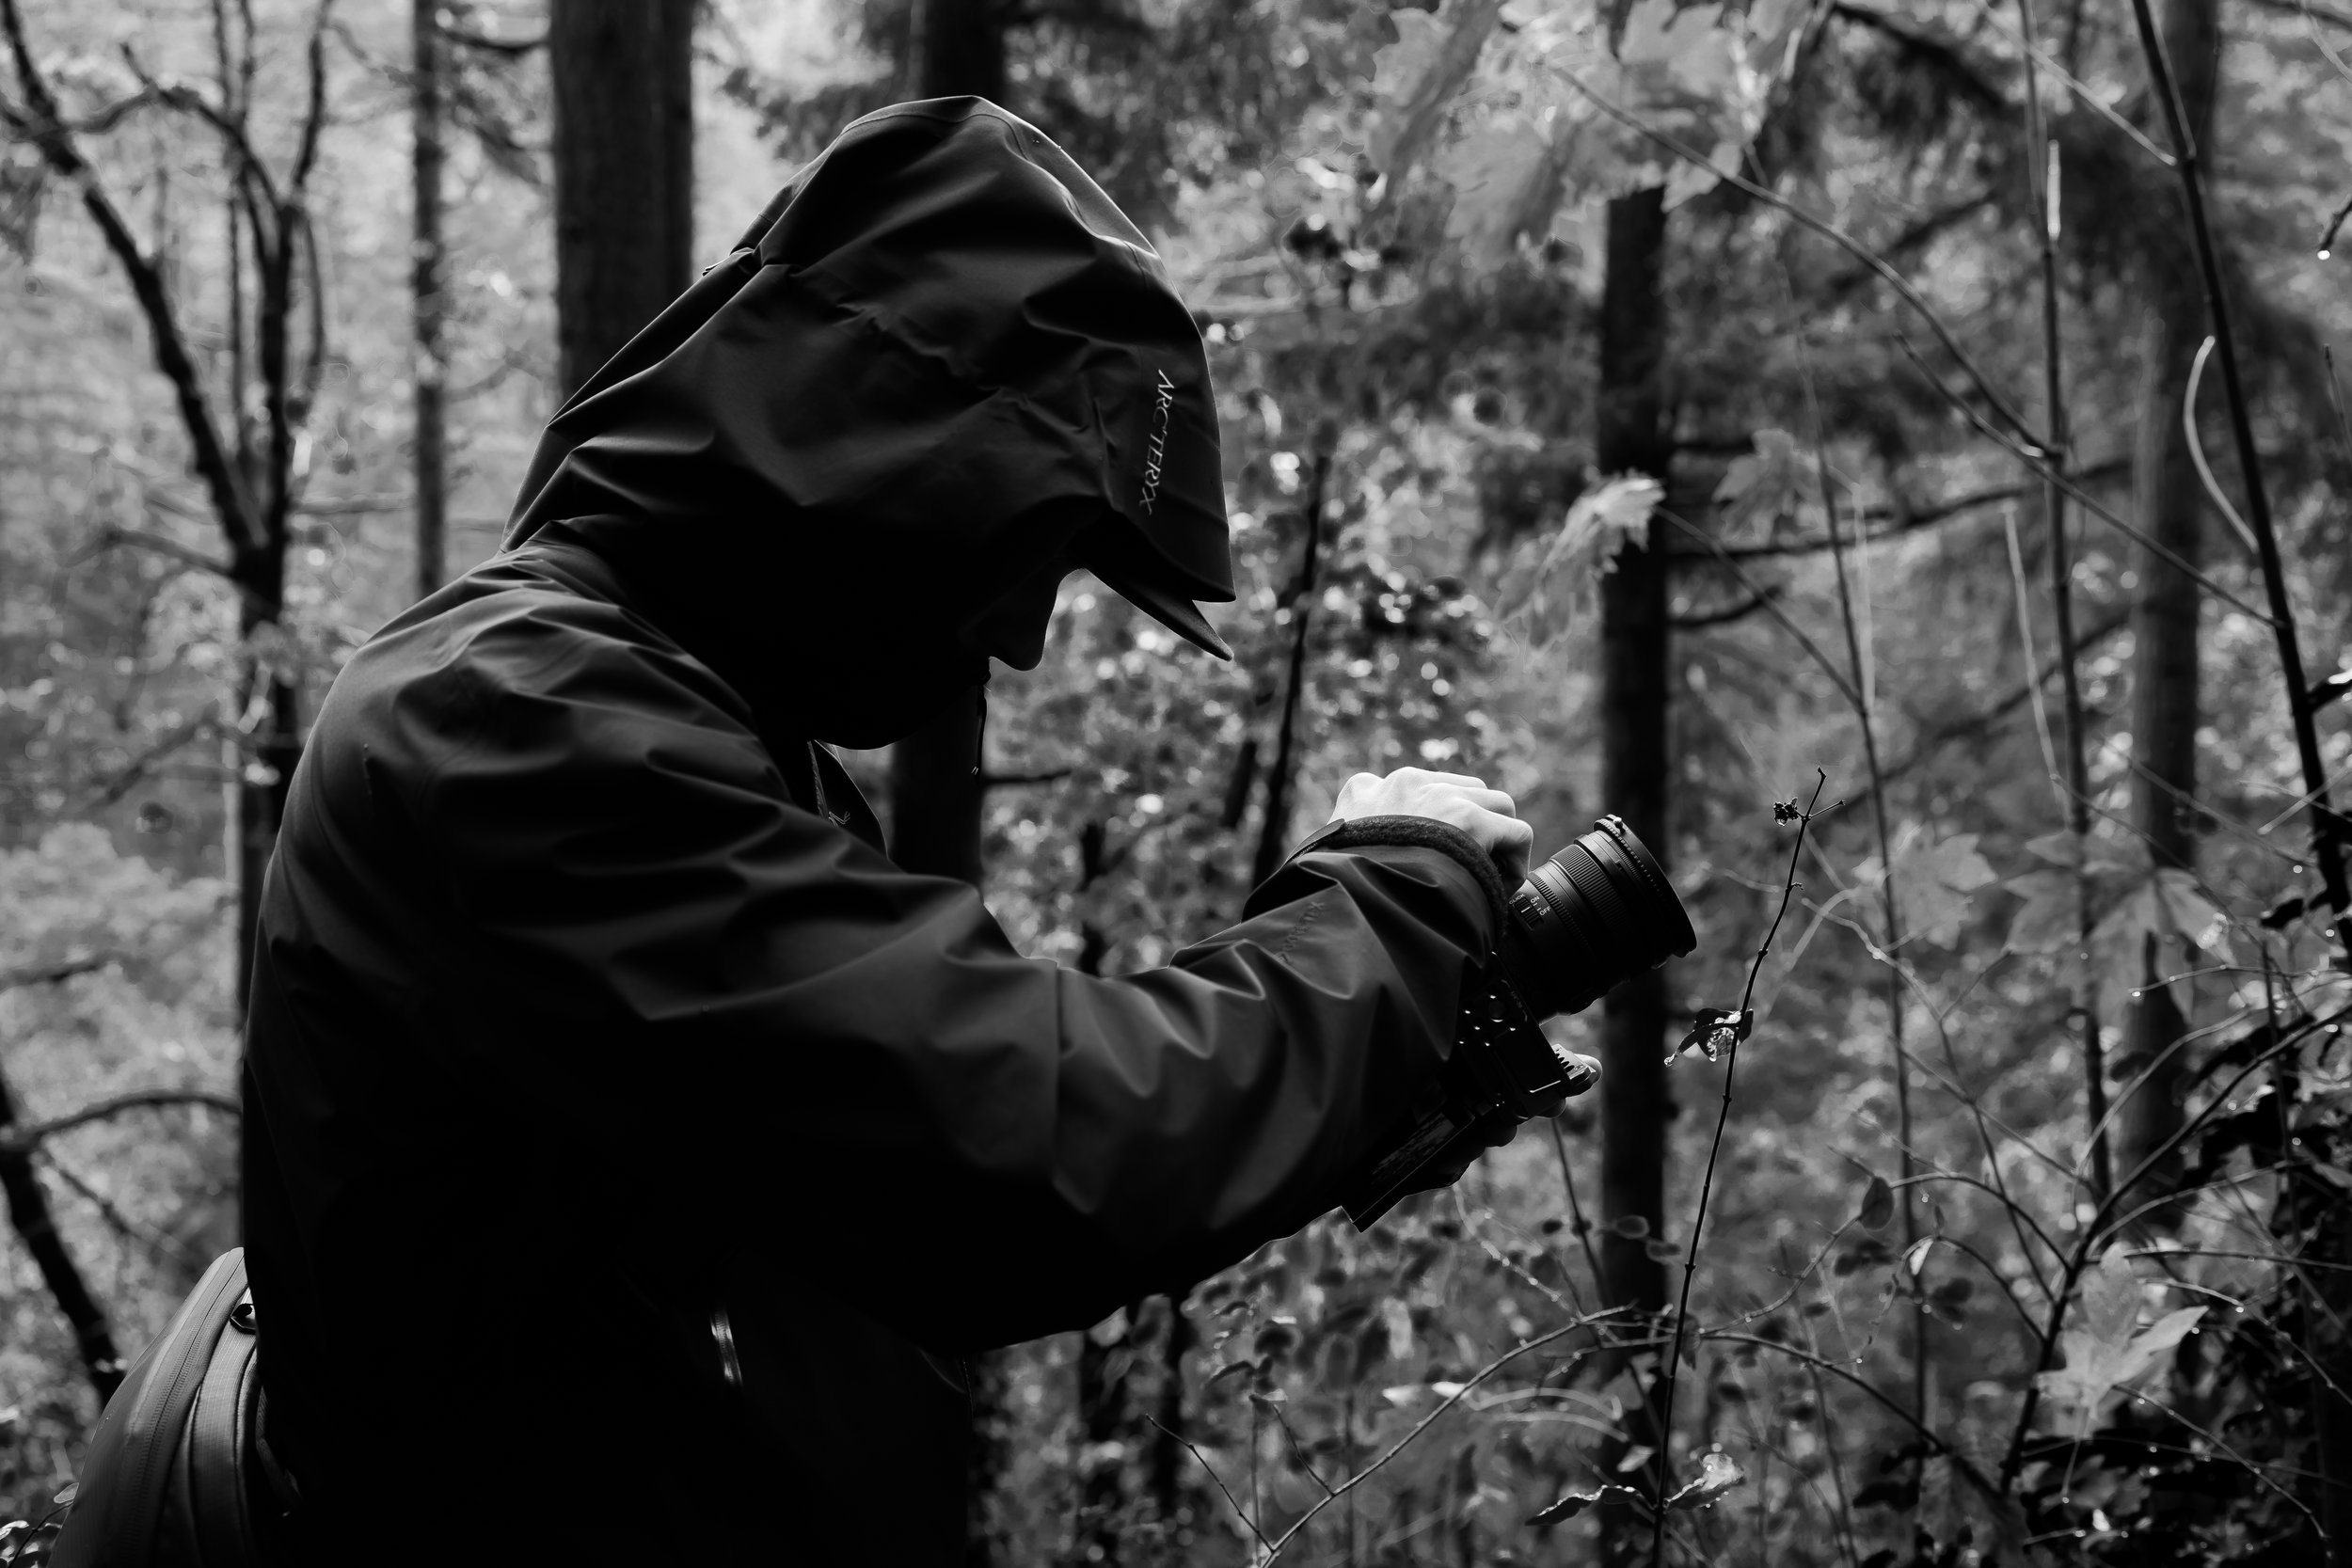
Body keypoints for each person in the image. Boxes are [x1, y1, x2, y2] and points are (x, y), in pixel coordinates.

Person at [239, 97, 1591, 1565]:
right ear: (877, 448)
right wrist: (1392, 905)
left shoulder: (684, 724)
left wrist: (1356, 1080)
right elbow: (1015, 1161)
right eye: (1021, 545)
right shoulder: (517, 722)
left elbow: (883, 1164)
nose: (1016, 638)